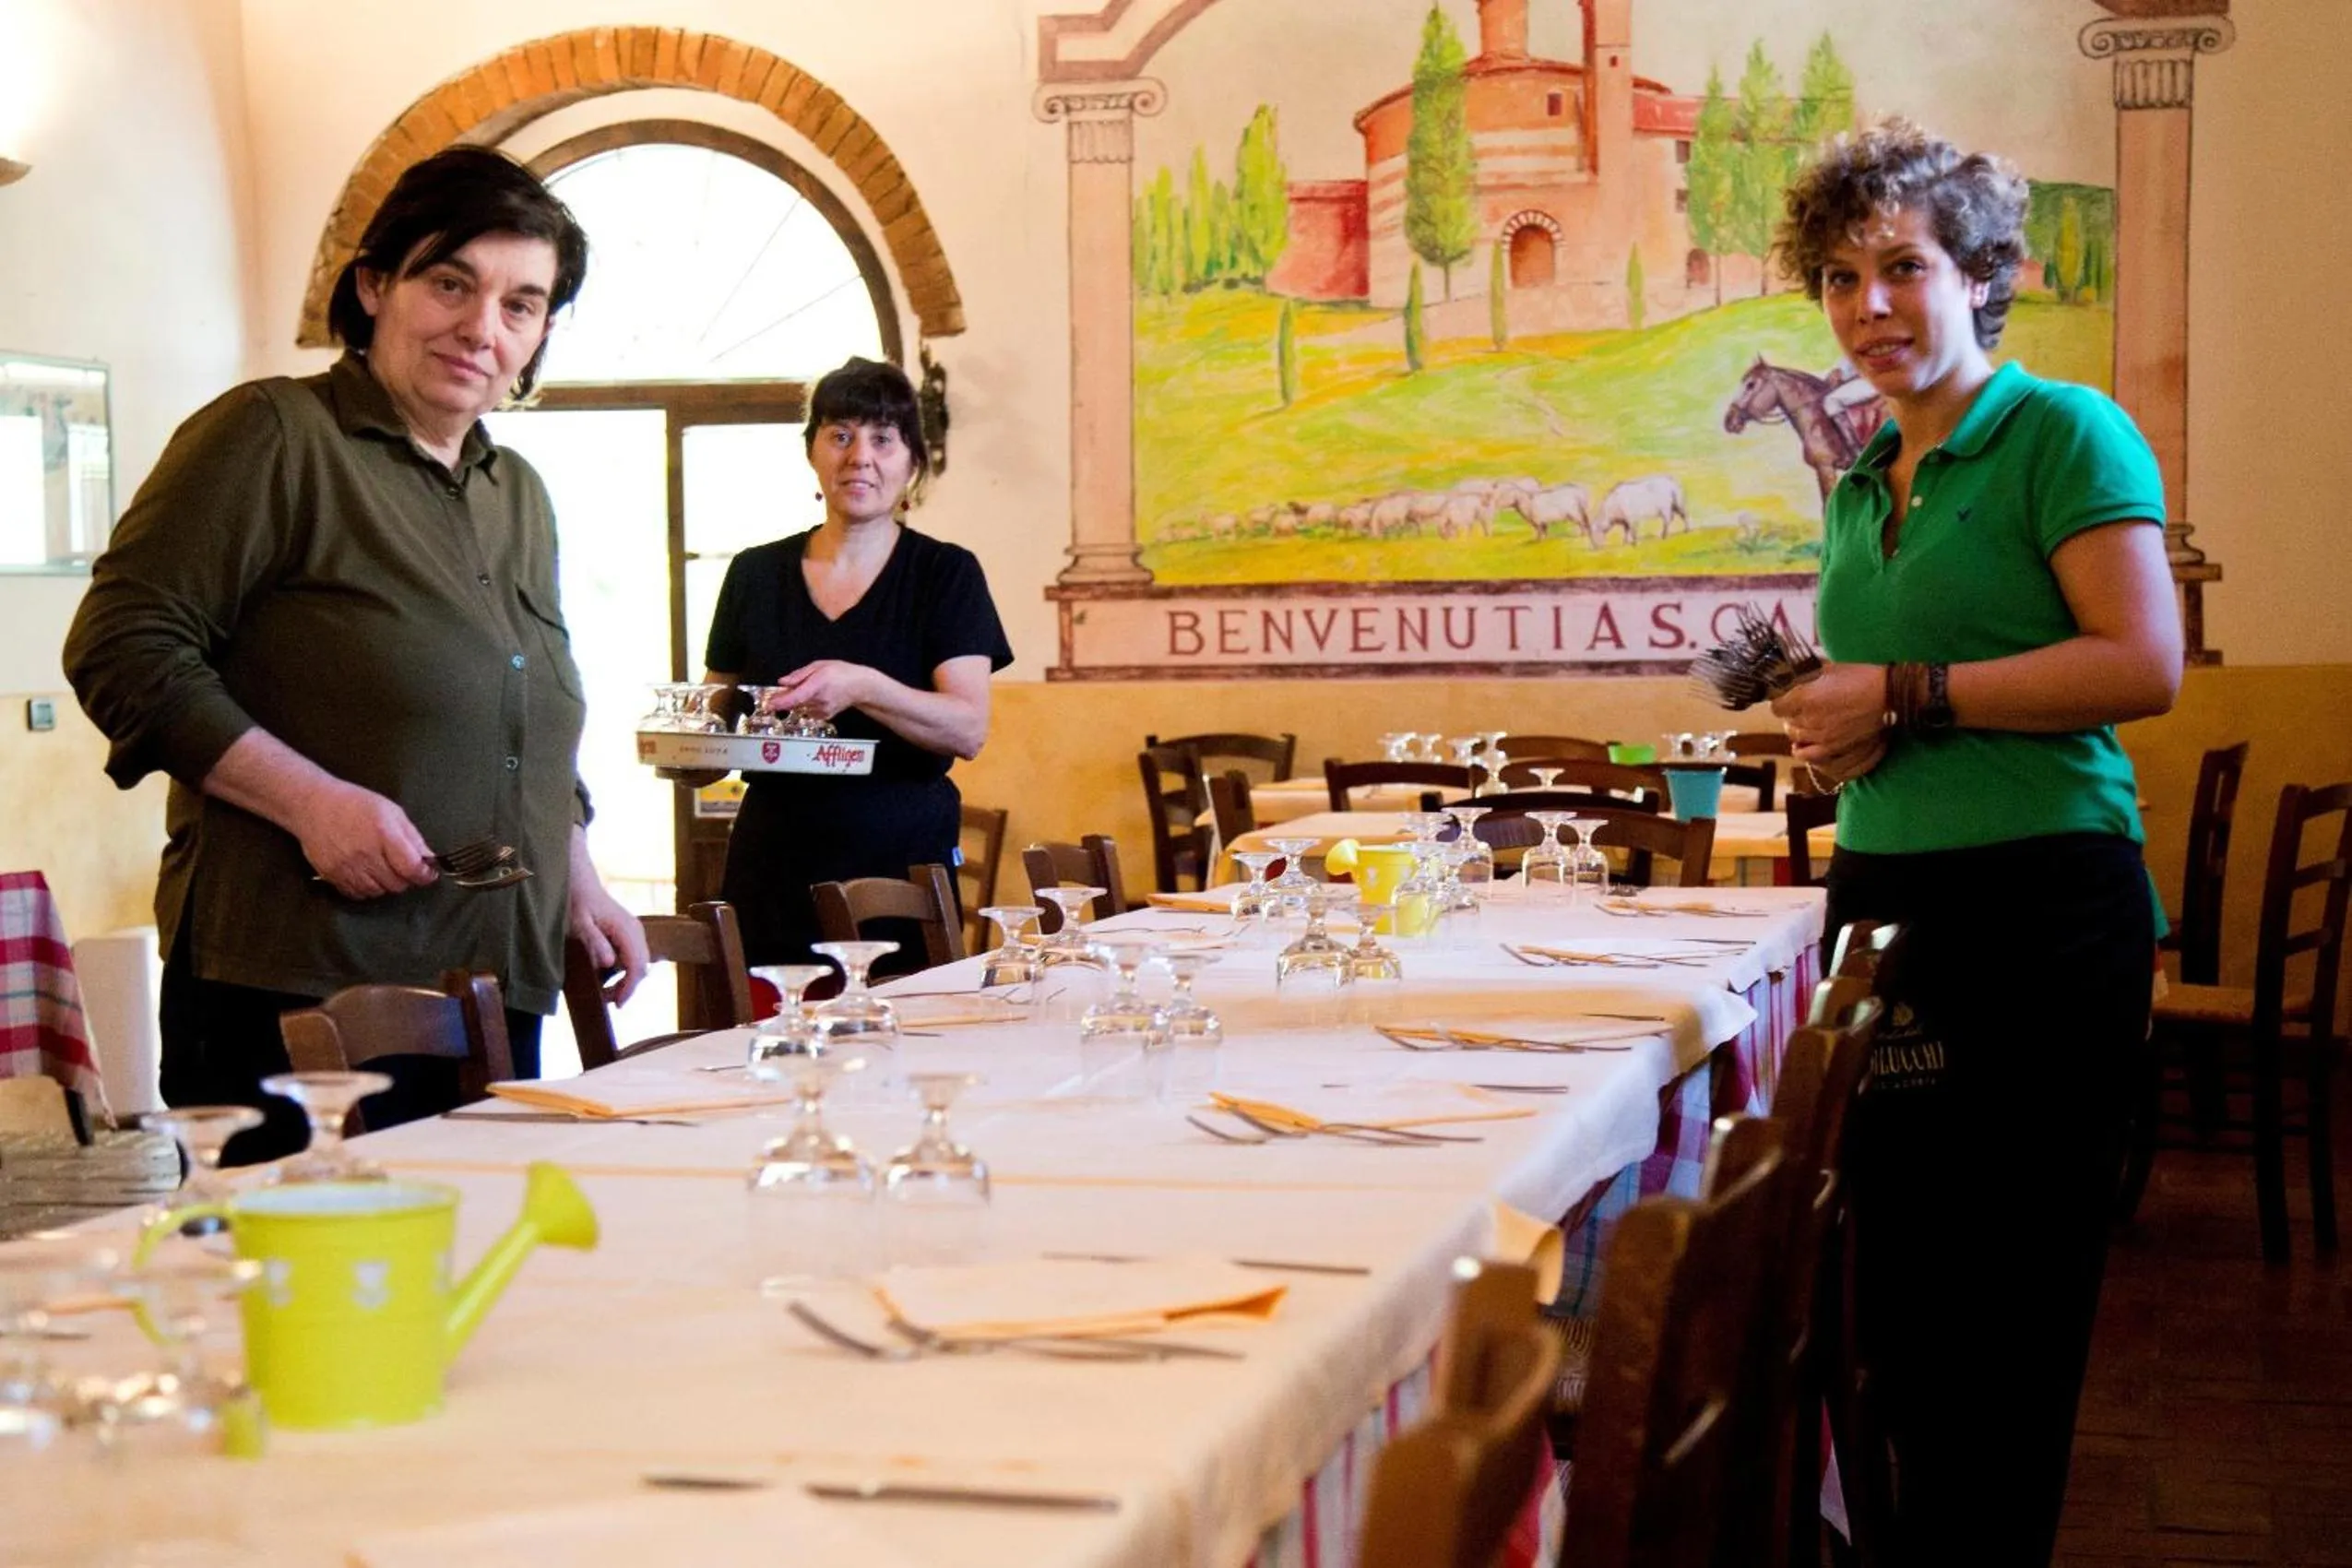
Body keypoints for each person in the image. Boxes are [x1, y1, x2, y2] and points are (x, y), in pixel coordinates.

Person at [1768, 120, 2180, 1565]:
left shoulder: (2062, 430)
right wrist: (1843, 734)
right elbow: (1898, 693)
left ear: (1980, 274)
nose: (1866, 305)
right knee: (1894, 1292)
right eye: (1837, 278)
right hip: (1883, 898)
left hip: (2040, 910)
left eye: (1901, 267)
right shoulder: (1861, 471)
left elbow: (2140, 663)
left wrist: (1901, 693)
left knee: (2008, 1304)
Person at [65, 148, 647, 1163]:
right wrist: (312, 803)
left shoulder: (515, 493)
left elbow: (524, 716)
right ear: (375, 286)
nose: (482, 327)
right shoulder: (275, 436)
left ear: (541, 333)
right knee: (306, 1265)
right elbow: (122, 645)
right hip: (300, 994)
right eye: (451, 283)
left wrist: (577, 874)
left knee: (473, 1253)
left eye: (520, 304)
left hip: (486, 985)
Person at [698, 356, 1011, 969]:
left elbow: (968, 729)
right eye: (840, 435)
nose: (859, 457)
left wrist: (863, 685)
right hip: (773, 865)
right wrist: (688, 755)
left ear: (911, 462)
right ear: (812, 453)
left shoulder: (945, 573)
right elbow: (716, 718)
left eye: (882, 438)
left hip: (900, 869)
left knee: (903, 1025)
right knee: (770, 1025)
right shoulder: (755, 573)